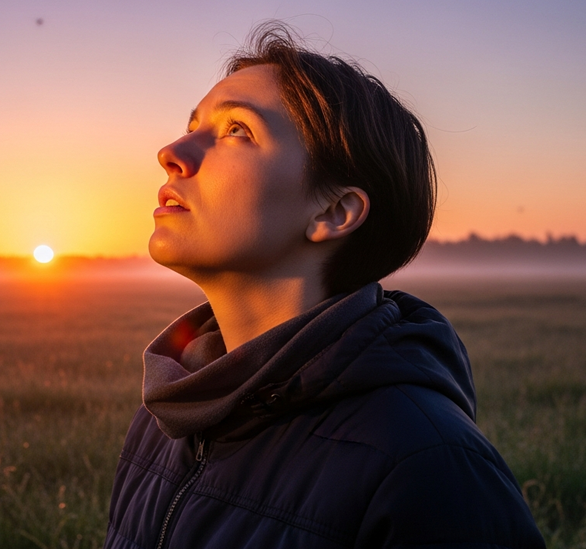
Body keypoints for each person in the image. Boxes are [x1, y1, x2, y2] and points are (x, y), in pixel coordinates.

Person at [104, 23, 545, 549]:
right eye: (192, 125)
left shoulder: (428, 466)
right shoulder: (166, 415)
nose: (172, 151)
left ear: (334, 212)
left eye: (238, 130)